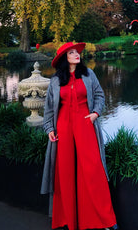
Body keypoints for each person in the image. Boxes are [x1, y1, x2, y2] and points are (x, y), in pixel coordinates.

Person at [40, 42, 118, 230]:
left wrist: (95, 114)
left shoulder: (89, 75)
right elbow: (50, 107)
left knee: (93, 169)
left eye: (77, 52)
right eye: (72, 52)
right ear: (64, 58)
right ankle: (68, 220)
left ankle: (106, 220)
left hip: (85, 123)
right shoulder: (56, 81)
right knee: (65, 171)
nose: (77, 55)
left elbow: (100, 95)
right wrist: (49, 128)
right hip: (63, 126)